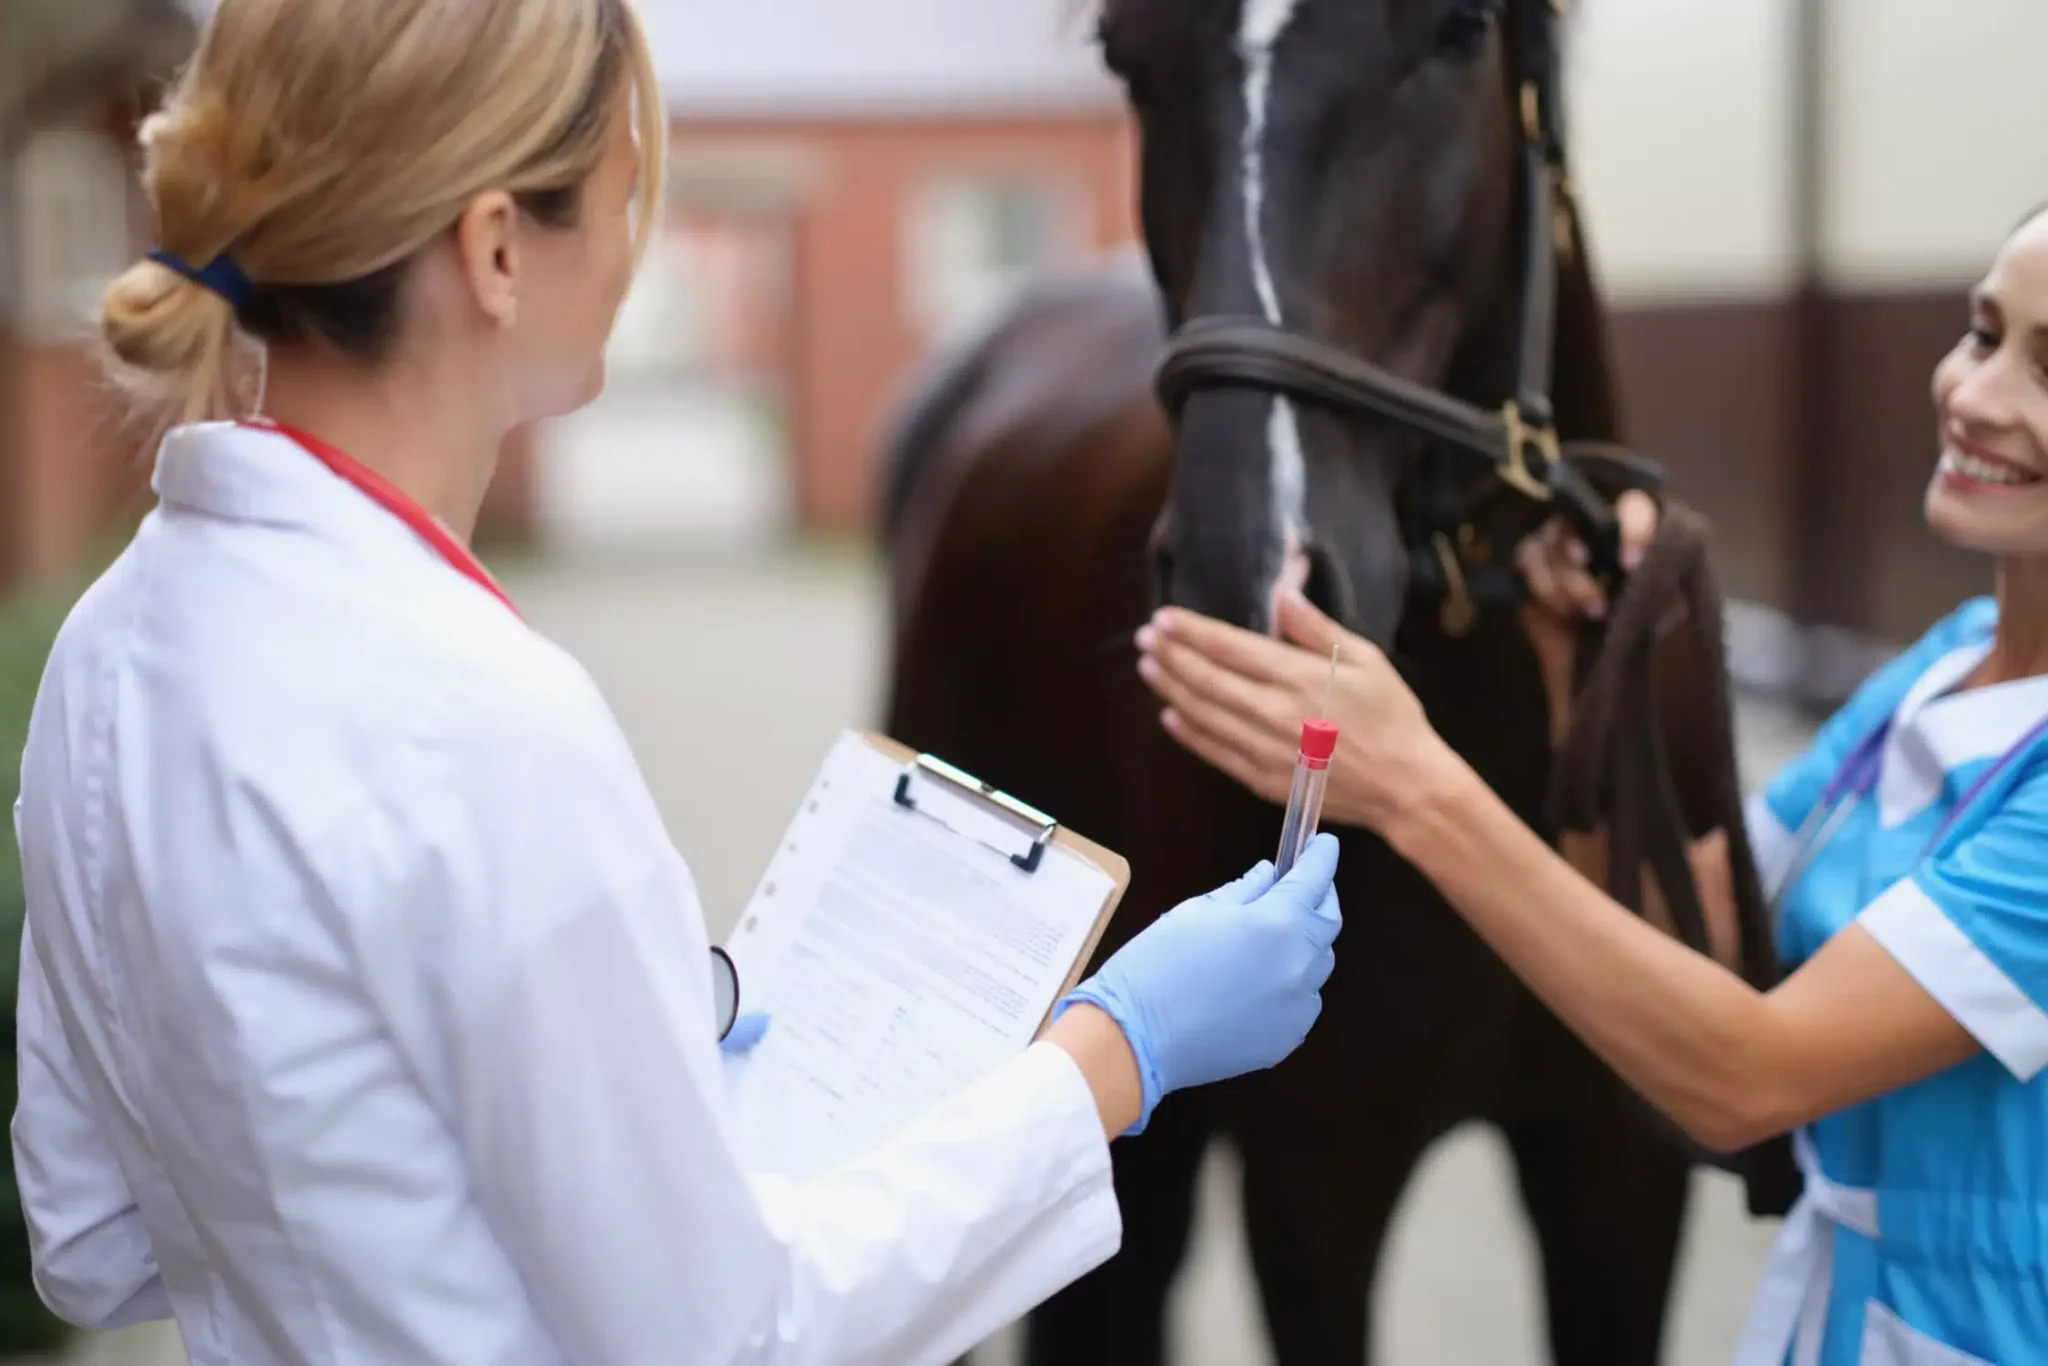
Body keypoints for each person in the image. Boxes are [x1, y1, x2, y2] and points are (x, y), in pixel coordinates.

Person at [7, 2, 1346, 1362]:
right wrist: (1122, 1050)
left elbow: (90, 1233)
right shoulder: (484, 723)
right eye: (624, 190)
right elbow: (735, 1333)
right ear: (495, 249)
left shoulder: (103, 652)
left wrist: (615, 1074)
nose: (638, 243)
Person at [1135, 206, 2048, 1364]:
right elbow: (1700, 937)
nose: (1972, 395)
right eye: (1979, 333)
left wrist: (1415, 784)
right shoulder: (1944, 664)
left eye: (2045, 367)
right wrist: (1582, 671)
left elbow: (1745, 1076)